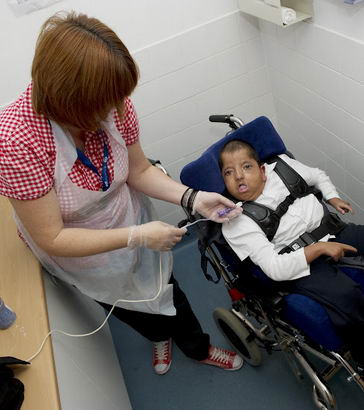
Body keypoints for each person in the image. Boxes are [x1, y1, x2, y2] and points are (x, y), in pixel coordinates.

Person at [0, 12, 244, 375]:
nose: (116, 111)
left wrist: (192, 198)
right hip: (78, 246)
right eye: (104, 105)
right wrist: (136, 236)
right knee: (127, 306)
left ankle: (196, 346)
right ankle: (159, 337)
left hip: (126, 214)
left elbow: (139, 170)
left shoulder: (114, 104)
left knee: (167, 291)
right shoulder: (16, 140)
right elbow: (51, 236)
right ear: (71, 102)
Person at [219, 139, 364, 371]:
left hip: (334, 231)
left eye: (246, 166)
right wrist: (317, 249)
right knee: (347, 297)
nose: (238, 176)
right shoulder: (236, 222)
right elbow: (275, 269)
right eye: (229, 172)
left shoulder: (283, 166)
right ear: (224, 181)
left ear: (262, 170)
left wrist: (331, 196)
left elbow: (317, 175)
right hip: (300, 264)